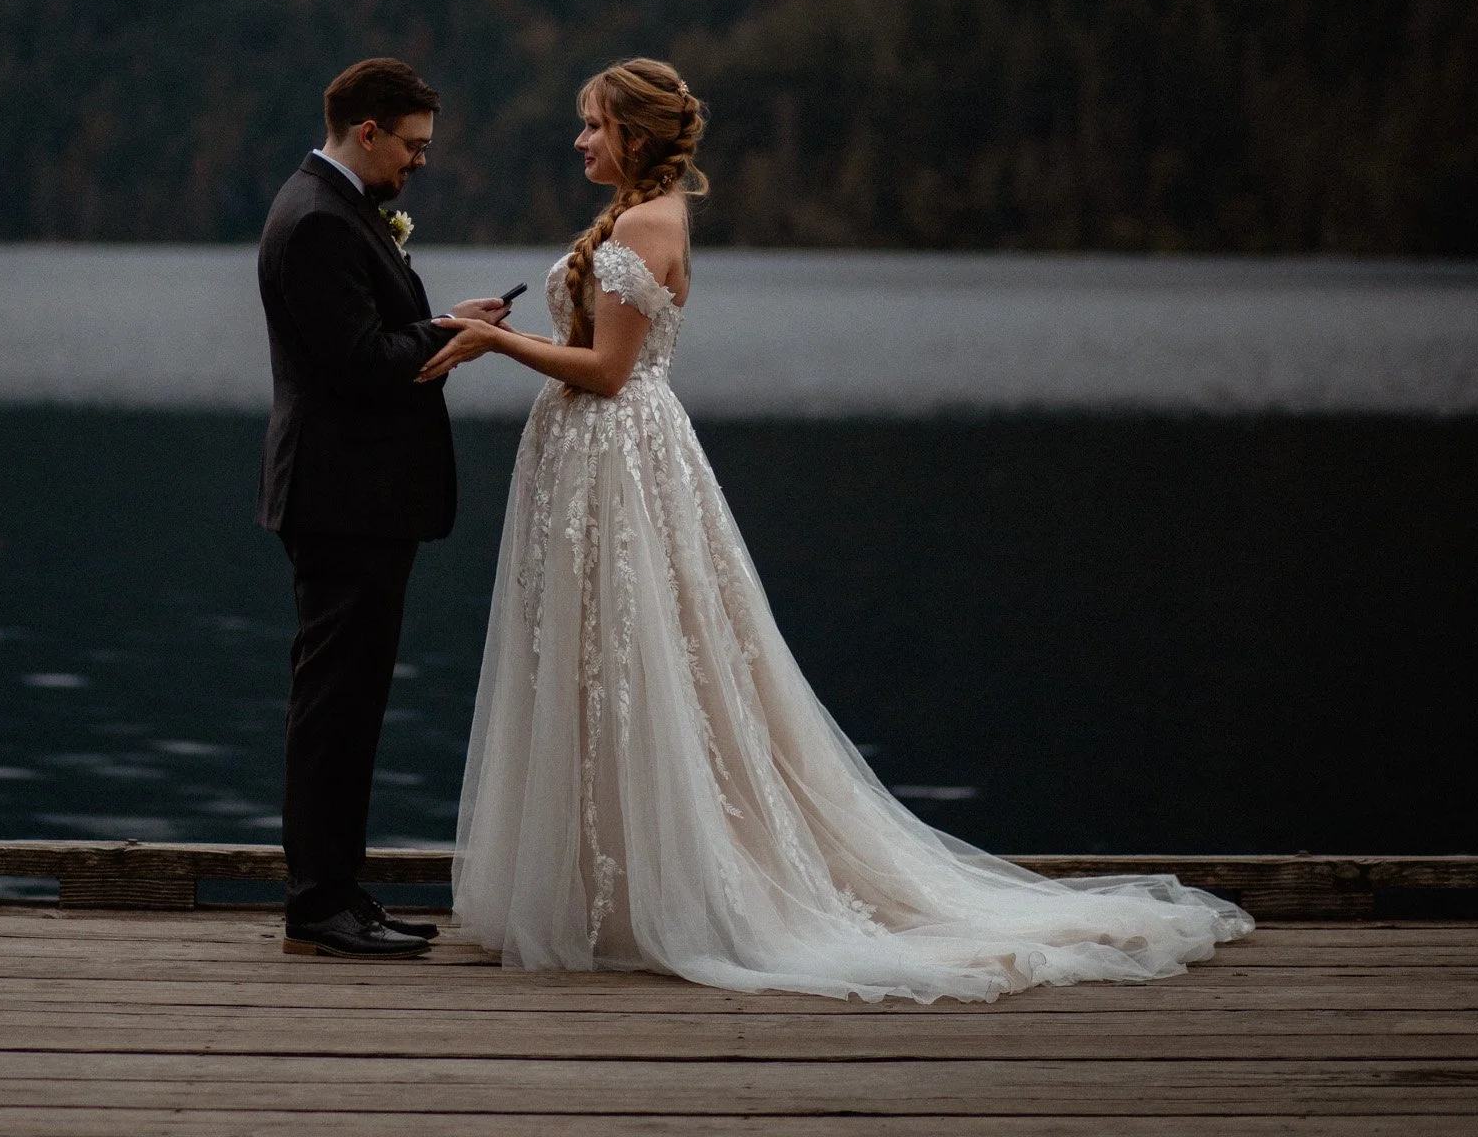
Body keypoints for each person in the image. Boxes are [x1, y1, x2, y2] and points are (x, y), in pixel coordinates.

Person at [420, 57, 1254, 1001]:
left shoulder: (647, 224)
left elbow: (607, 371)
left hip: (618, 462)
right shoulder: (639, 218)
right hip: (597, 465)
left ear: (638, 137)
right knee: (598, 664)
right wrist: (502, 326)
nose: (579, 141)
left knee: (635, 660)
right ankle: (607, 881)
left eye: (594, 127)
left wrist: (493, 343)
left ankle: (657, 888)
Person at [256, 56, 508, 959]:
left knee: (351, 701)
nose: (420, 163)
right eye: (412, 146)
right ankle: (318, 902)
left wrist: (445, 324)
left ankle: (340, 892)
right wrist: (454, 341)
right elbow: (360, 364)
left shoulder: (336, 208)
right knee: (333, 704)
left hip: (356, 500)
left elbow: (363, 337)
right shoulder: (319, 220)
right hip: (342, 499)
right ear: (367, 132)